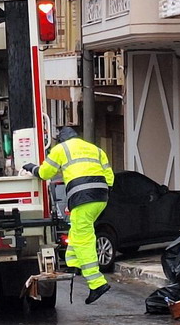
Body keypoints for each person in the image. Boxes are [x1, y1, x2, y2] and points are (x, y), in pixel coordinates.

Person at [24, 126, 114, 303]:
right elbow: (109, 177)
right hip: (101, 197)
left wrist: (31, 168)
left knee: (84, 238)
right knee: (78, 228)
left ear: (61, 140)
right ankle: (73, 264)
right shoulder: (95, 149)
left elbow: (45, 173)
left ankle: (97, 283)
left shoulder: (61, 149)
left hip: (82, 197)